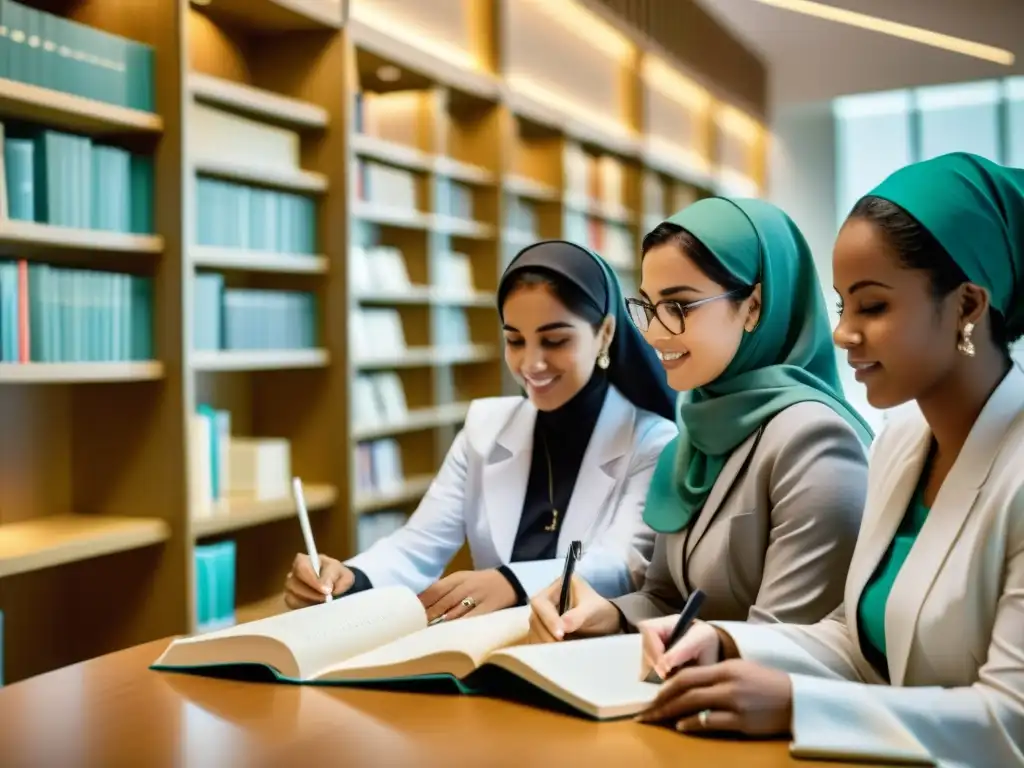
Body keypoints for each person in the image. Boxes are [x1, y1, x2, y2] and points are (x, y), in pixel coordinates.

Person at [637, 153, 1024, 767]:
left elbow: (1011, 721)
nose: (842, 333)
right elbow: (857, 637)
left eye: (872, 307)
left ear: (968, 305)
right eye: (843, 306)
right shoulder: (901, 442)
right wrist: (724, 642)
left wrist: (801, 705)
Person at [528, 197, 873, 643]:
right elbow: (667, 598)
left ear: (754, 305)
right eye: (649, 307)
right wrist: (609, 614)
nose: (652, 333)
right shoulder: (695, 427)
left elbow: (789, 644)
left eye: (679, 307)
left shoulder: (815, 440)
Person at [284, 240, 677, 622]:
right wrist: (351, 578)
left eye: (555, 340)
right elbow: (417, 548)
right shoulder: (483, 427)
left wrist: (512, 582)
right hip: (484, 651)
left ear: (605, 333)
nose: (532, 363)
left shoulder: (652, 441)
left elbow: (621, 565)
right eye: (514, 341)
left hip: (583, 652)